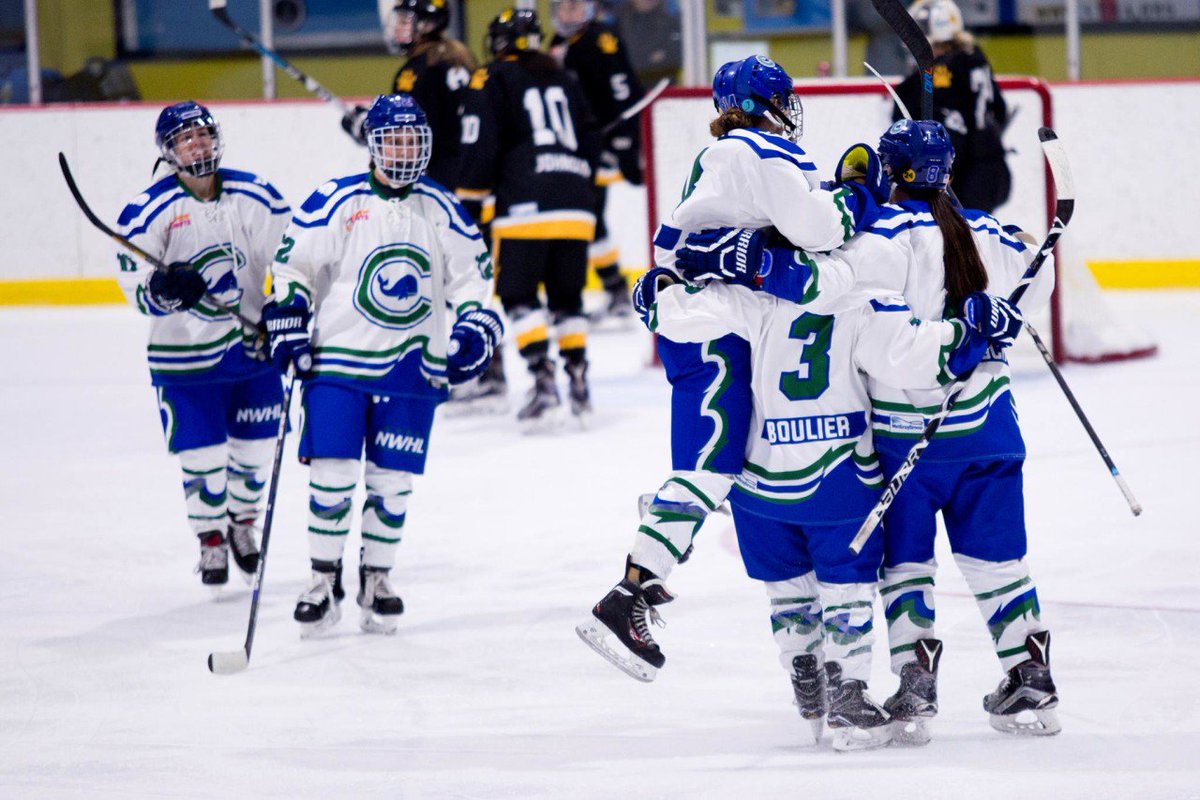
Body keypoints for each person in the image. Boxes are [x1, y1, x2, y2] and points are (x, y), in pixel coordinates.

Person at [677, 119, 1060, 742]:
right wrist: (994, 314)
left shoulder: (877, 239)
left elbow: (883, 344)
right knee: (999, 563)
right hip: (990, 429)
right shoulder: (988, 229)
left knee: (907, 568)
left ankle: (916, 689)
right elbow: (1032, 284)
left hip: (911, 441)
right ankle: (1029, 677)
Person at [627, 218, 1023, 750]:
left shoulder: (758, 298)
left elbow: (683, 313)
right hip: (838, 478)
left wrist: (656, 292)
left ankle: (808, 687)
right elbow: (918, 361)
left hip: (762, 482)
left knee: (788, 591)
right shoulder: (864, 303)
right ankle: (848, 699)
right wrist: (972, 331)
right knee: (848, 587)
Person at [575, 56, 888, 694]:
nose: (790, 106)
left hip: (702, 320)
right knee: (712, 466)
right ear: (762, 100)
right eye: (783, 94)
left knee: (721, 464)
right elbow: (816, 229)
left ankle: (645, 565)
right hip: (713, 324)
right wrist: (858, 195)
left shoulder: (730, 154)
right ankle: (627, 593)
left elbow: (705, 242)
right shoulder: (757, 149)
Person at [265, 94, 502, 635]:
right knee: (332, 475)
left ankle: (377, 576)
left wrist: (471, 323)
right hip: (338, 363)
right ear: (372, 144)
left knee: (392, 481)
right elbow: (294, 265)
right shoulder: (337, 199)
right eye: (393, 139)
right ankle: (323, 581)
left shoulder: (441, 206)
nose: (404, 149)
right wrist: (290, 313)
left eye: (413, 139)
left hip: (414, 367)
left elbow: (471, 277)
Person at [114, 101, 290, 595]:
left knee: (255, 452)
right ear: (168, 152)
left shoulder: (255, 195)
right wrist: (164, 290)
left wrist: (285, 304)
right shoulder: (149, 208)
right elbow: (134, 281)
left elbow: (293, 256)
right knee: (203, 456)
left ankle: (242, 523)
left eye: (203, 135)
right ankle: (210, 537)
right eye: (185, 139)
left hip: (251, 350)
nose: (197, 144)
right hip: (183, 358)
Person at [456, 7, 601, 428]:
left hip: (524, 202)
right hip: (576, 201)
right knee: (567, 299)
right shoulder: (562, 74)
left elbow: (480, 143)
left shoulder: (491, 76)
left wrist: (470, 200)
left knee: (519, 297)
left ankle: (542, 379)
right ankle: (578, 378)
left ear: (500, 43)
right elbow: (590, 139)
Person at [549, 0, 645, 321]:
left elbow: (622, 89)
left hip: (600, 145)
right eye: (562, 8)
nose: (568, 14)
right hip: (572, 147)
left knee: (590, 217)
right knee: (588, 218)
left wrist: (623, 139)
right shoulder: (557, 45)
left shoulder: (602, 38)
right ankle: (613, 287)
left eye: (575, 7)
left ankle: (615, 288)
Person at [341, 0, 476, 190]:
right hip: (475, 177)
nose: (397, 28)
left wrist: (365, 126)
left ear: (426, 25)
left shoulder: (416, 70)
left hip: (440, 180)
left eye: (405, 22)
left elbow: (403, 131)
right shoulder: (462, 58)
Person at [893, 0, 1010, 212]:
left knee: (962, 236)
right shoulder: (975, 57)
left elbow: (909, 107)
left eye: (920, 30)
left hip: (969, 174)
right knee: (979, 232)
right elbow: (1000, 111)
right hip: (994, 165)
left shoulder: (942, 70)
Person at [614, 0, 682, 88]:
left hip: (662, 91)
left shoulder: (672, 22)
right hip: (623, 90)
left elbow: (674, 57)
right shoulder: (616, 22)